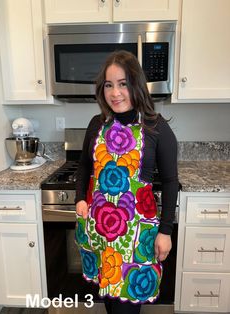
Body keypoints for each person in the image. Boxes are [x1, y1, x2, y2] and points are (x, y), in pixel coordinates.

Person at [75, 50, 179, 314]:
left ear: (136, 85)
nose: (115, 93)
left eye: (123, 84)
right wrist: (80, 197)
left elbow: (169, 181)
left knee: (126, 306)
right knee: (110, 301)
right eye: (109, 85)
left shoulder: (156, 128)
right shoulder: (96, 124)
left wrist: (166, 231)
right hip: (100, 231)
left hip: (134, 235)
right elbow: (85, 165)